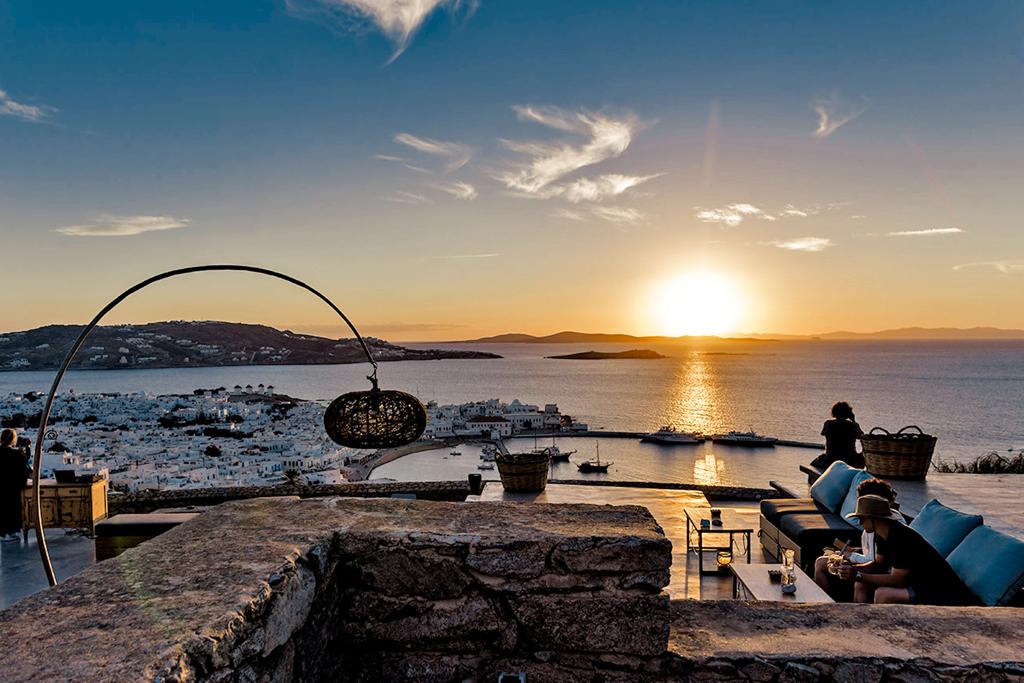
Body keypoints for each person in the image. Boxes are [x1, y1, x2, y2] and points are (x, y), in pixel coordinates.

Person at [844, 494, 973, 605]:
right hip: (914, 582)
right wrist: (850, 568)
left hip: (936, 588)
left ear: (875, 519)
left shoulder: (902, 538)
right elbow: (877, 564)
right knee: (861, 584)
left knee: (883, 594)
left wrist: (858, 575)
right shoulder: (882, 534)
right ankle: (859, 623)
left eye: (862, 518)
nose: (860, 523)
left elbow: (897, 580)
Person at [813, 478, 897, 600]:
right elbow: (873, 550)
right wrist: (855, 551)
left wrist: (850, 558)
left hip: (880, 571)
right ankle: (825, 603)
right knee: (821, 562)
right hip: (868, 562)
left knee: (824, 564)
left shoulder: (882, 527)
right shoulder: (871, 522)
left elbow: (875, 562)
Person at [811, 401, 864, 469]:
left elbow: (823, 433)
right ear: (849, 413)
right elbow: (862, 437)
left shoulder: (828, 424)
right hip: (849, 459)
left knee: (815, 463)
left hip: (830, 458)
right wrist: (853, 420)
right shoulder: (853, 425)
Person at [0, 428, 30, 541]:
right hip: (12, 487)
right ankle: (10, 533)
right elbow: (24, 466)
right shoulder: (15, 454)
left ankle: (3, 533)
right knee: (12, 509)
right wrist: (27, 450)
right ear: (13, 440)